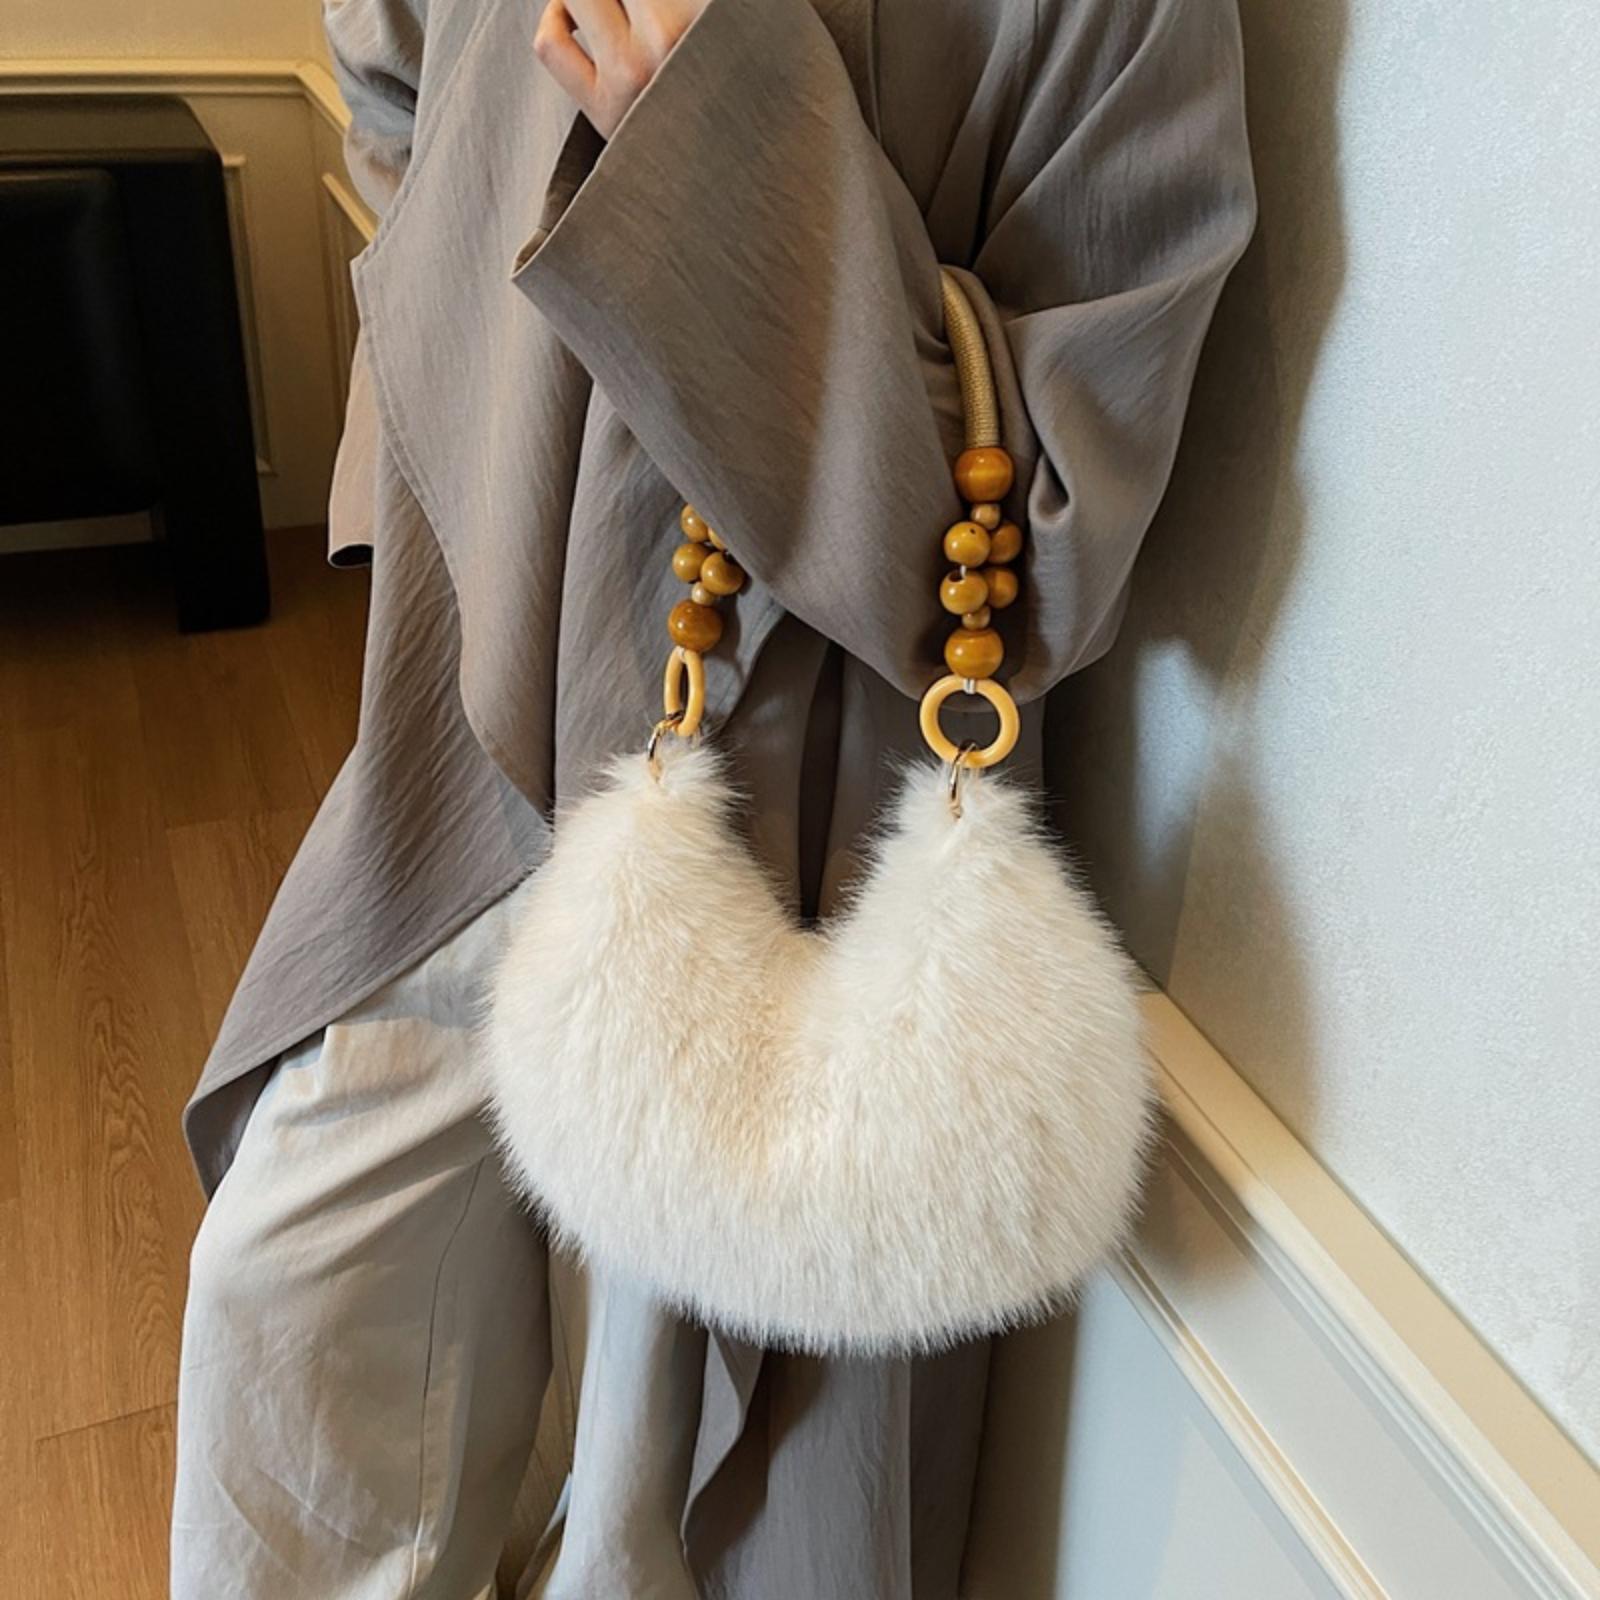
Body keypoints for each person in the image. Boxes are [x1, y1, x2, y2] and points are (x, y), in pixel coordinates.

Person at [170, 0, 1256, 1594]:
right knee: (294, 1312)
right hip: (476, 752)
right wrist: (446, 478)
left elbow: (1041, 547)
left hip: (796, 833)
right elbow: (395, 79)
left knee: (654, 1494)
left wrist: (720, 152)